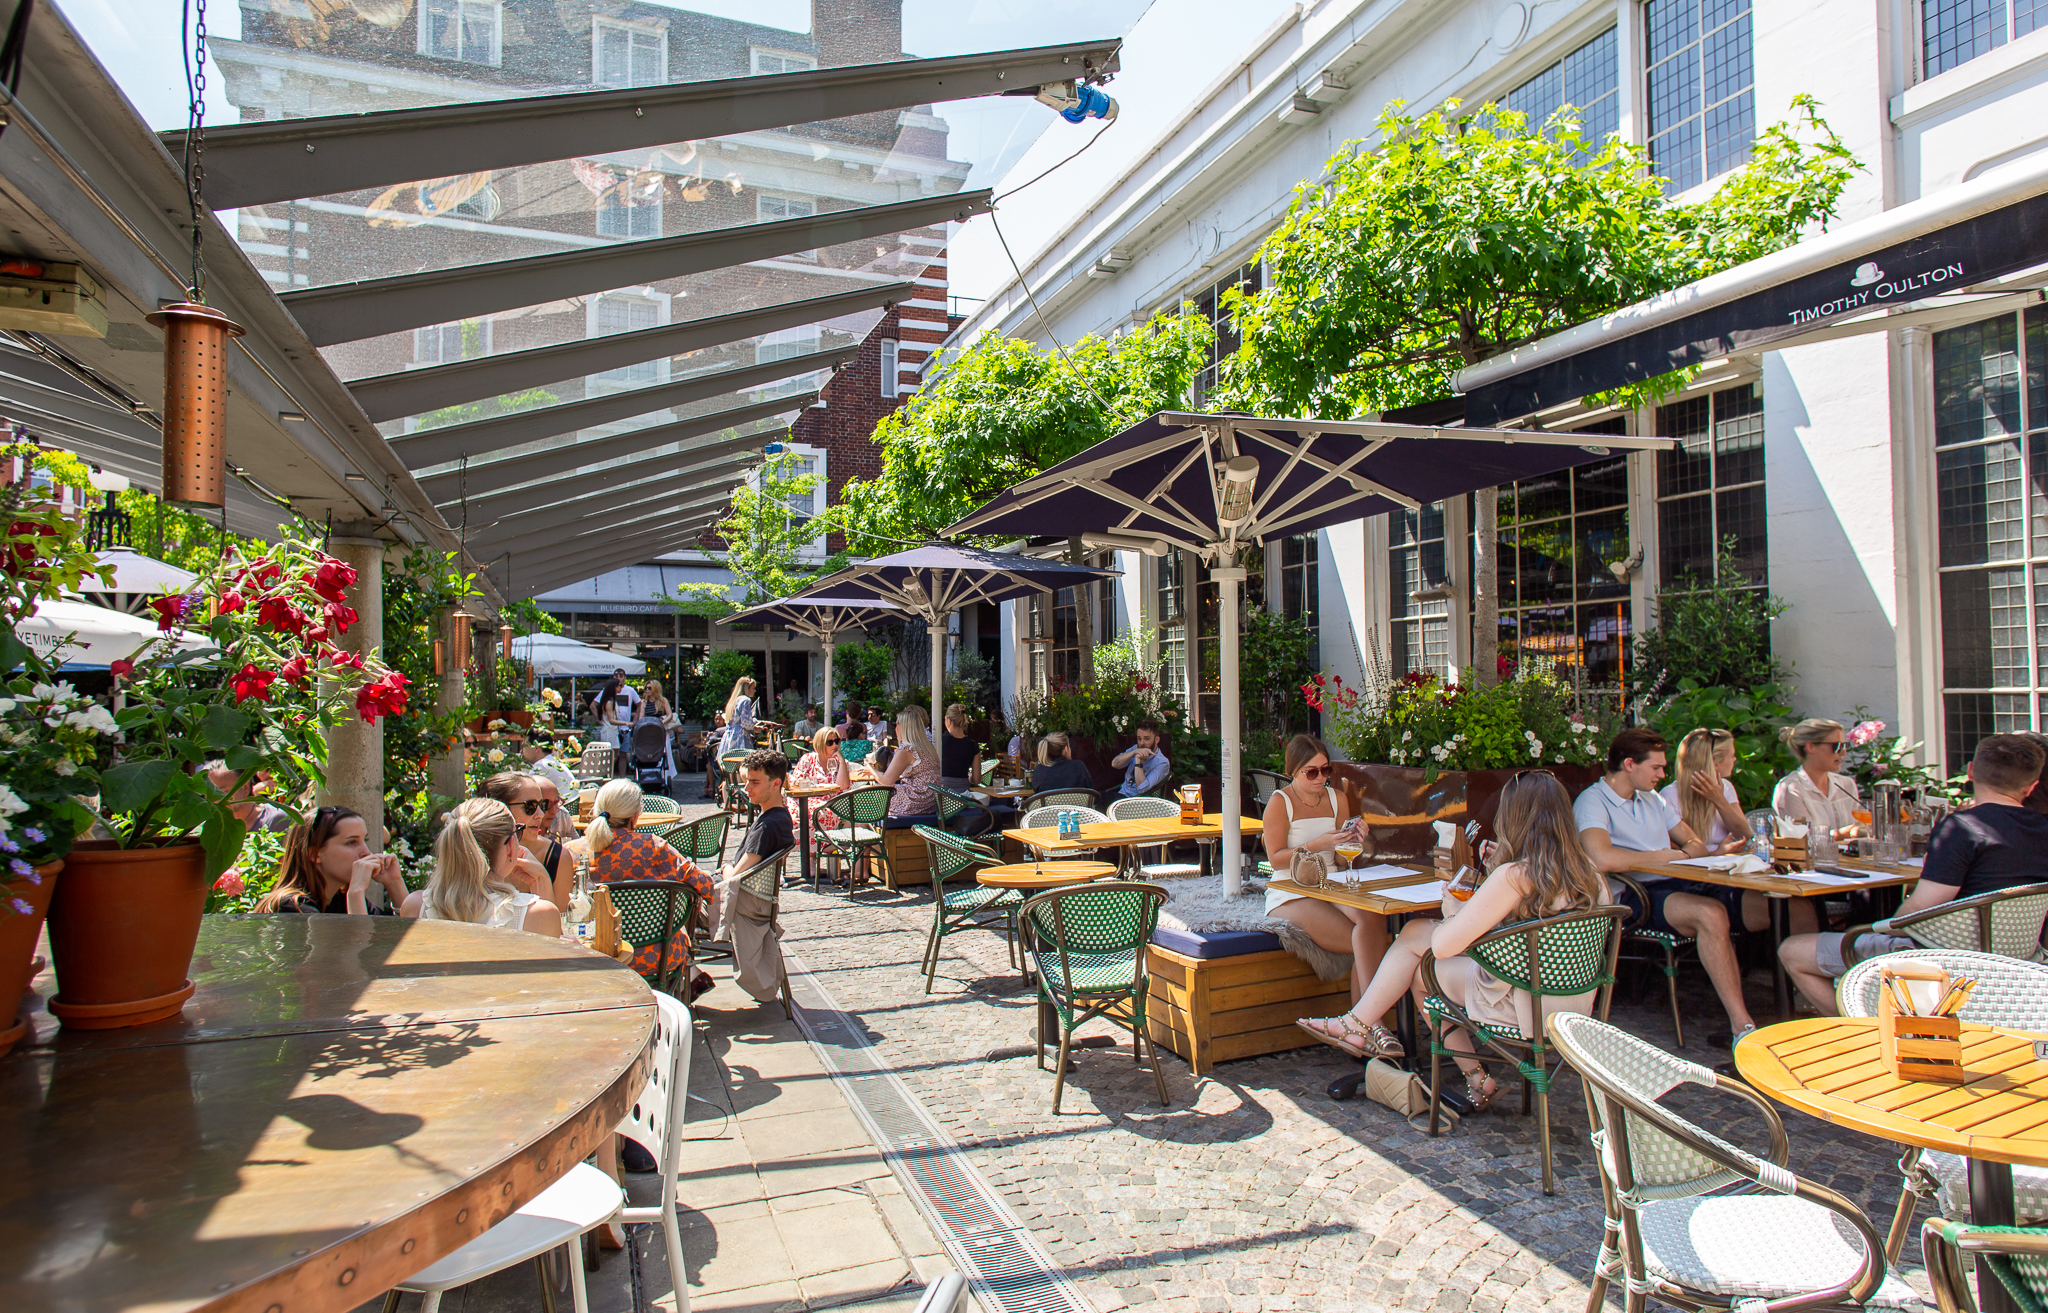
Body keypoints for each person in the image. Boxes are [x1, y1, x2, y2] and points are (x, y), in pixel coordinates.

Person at [1296, 771, 1610, 1108]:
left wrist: (1454, 908)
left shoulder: (1516, 876)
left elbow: (1446, 945)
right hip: (1575, 1005)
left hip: (1522, 1005)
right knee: (1419, 958)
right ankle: (1469, 1075)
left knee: (1419, 950)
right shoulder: (1591, 874)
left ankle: (1360, 1024)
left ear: (1513, 818)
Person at [1781, 733, 2048, 1013]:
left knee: (1792, 950)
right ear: (2031, 786)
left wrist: (1887, 927)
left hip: (1943, 956)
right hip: (2019, 956)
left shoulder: (1962, 828)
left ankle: (1866, 1036)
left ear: (1970, 771)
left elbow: (1922, 905)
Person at [1576, 728, 1757, 1044]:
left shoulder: (1652, 799)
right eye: (1656, 767)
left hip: (1679, 883)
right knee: (1711, 914)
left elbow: (1695, 845)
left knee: (1778, 903)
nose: (1663, 773)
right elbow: (1602, 858)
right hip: (1637, 896)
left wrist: (1677, 855)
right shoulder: (1593, 801)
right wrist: (1666, 856)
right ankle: (1743, 1028)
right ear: (1630, 764)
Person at [1660, 727, 1819, 944]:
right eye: (1732, 755)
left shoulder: (1725, 788)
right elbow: (1673, 856)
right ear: (1715, 763)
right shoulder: (1670, 796)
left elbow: (1745, 834)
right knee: (1797, 908)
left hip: (1732, 874)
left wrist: (1718, 799)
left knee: (1804, 901)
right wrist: (1716, 853)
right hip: (1696, 884)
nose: (1735, 759)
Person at [1260, 734, 1385, 1007]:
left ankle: (1363, 1023)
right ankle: (1369, 1021)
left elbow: (1341, 861)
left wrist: (1353, 839)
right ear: (1293, 771)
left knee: (1374, 921)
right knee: (1364, 942)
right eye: (1312, 772)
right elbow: (1276, 859)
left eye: (1325, 769)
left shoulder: (1337, 798)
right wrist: (1316, 845)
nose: (1320, 777)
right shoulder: (1280, 803)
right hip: (1291, 889)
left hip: (1332, 882)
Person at [586, 779, 717, 998]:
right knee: (675, 925)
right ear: (636, 815)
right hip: (657, 955)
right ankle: (688, 981)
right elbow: (705, 885)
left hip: (594, 957)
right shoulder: (653, 847)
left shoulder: (573, 854)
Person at [400, 797, 564, 937]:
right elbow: (558, 968)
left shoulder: (415, 906)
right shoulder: (536, 914)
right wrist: (542, 882)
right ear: (510, 847)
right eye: (516, 832)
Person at [715, 749, 796, 1003]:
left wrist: (725, 868)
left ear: (776, 784)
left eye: (754, 782)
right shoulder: (778, 817)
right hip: (755, 900)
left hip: (745, 904)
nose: (746, 788)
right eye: (746, 780)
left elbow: (735, 877)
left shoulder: (768, 826)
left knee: (676, 902)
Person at [255, 806, 412, 915]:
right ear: (315, 854)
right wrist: (356, 892)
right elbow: (361, 957)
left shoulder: (338, 900)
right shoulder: (291, 907)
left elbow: (414, 942)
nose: (366, 852)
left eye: (365, 840)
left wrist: (394, 883)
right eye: (351, 842)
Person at [479, 770, 572, 912]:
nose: (540, 815)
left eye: (543, 805)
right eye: (531, 807)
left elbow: (561, 923)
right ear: (498, 808)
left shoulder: (557, 857)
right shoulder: (474, 852)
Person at [1772, 718, 1864, 842]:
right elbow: (1799, 840)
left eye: (1844, 746)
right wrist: (1841, 834)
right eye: (1836, 746)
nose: (1843, 752)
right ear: (1810, 747)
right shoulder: (1791, 788)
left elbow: (1859, 830)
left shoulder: (1847, 785)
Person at [787, 724, 853, 853]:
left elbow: (843, 786)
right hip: (806, 799)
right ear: (820, 744)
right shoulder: (808, 759)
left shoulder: (841, 763)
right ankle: (802, 854)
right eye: (830, 742)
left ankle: (813, 858)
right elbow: (795, 782)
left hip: (832, 803)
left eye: (837, 741)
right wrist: (806, 783)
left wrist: (841, 759)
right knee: (793, 817)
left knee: (816, 815)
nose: (835, 745)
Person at [873, 704, 942, 817]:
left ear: (904, 727)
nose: (895, 728)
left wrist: (869, 768)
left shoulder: (907, 749)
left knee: (863, 795)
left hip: (915, 802)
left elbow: (886, 780)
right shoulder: (927, 747)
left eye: (897, 724)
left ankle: (858, 832)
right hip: (930, 802)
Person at [204, 761, 295, 832]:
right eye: (210, 794)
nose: (216, 800)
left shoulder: (279, 820)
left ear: (245, 788)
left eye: (223, 792)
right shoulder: (207, 829)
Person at [1111, 720, 1172, 799]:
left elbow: (1142, 789)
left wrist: (1138, 761)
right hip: (1122, 795)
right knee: (1095, 798)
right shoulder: (1136, 748)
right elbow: (1115, 764)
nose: (1142, 743)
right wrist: (1134, 752)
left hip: (1137, 802)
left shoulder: (1162, 763)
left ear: (1156, 740)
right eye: (1139, 739)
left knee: (1096, 802)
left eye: (1146, 739)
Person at [521, 726, 579, 804]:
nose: (521, 751)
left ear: (536, 749)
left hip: (560, 811)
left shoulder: (541, 766)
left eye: (524, 746)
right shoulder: (552, 761)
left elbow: (527, 793)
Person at [1030, 732, 1095, 793]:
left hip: (1050, 805)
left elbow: (1036, 791)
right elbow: (1089, 790)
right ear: (1066, 749)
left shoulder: (1039, 770)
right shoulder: (1079, 767)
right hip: (1075, 804)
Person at [939, 704, 984, 790]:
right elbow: (977, 780)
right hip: (963, 798)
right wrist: (969, 776)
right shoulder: (972, 745)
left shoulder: (939, 741)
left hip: (942, 795)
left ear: (948, 721)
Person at [720, 676, 758, 756]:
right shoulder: (745, 700)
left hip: (729, 737)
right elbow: (745, 723)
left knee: (730, 764)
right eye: (753, 688)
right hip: (740, 738)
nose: (755, 691)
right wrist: (756, 728)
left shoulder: (733, 700)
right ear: (747, 688)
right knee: (743, 763)